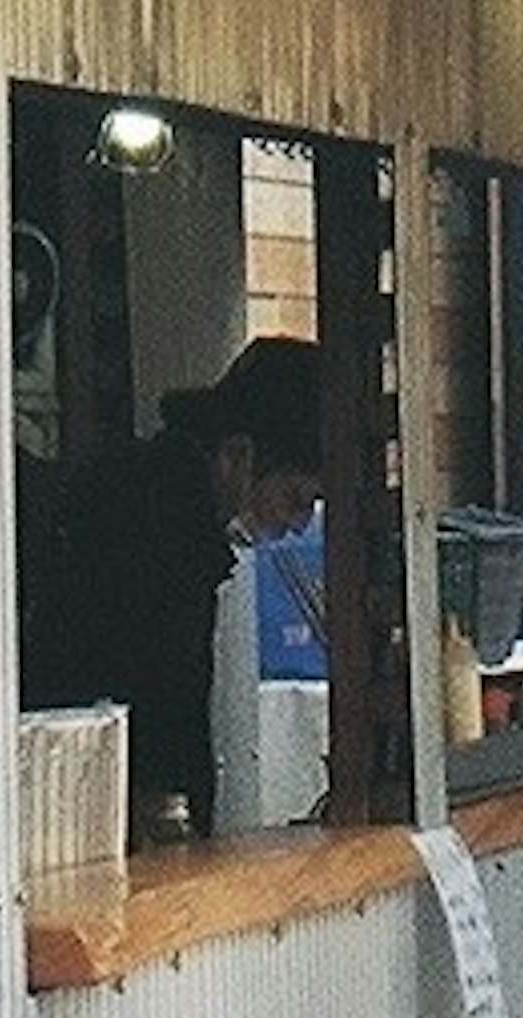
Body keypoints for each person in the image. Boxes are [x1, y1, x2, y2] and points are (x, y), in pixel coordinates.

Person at [18, 335, 324, 843]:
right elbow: (167, 709)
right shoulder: (160, 534)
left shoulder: (146, 496)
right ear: (238, 455)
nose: (298, 525)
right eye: (295, 498)